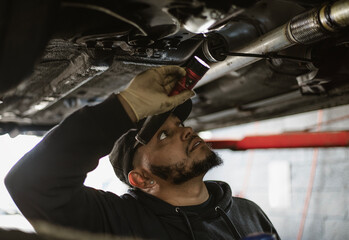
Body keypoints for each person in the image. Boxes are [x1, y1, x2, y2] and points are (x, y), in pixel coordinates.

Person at [5, 66, 280, 240]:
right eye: (163, 135)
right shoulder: (117, 223)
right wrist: (127, 106)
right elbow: (31, 183)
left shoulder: (248, 213)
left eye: (180, 124)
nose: (187, 131)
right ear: (142, 179)